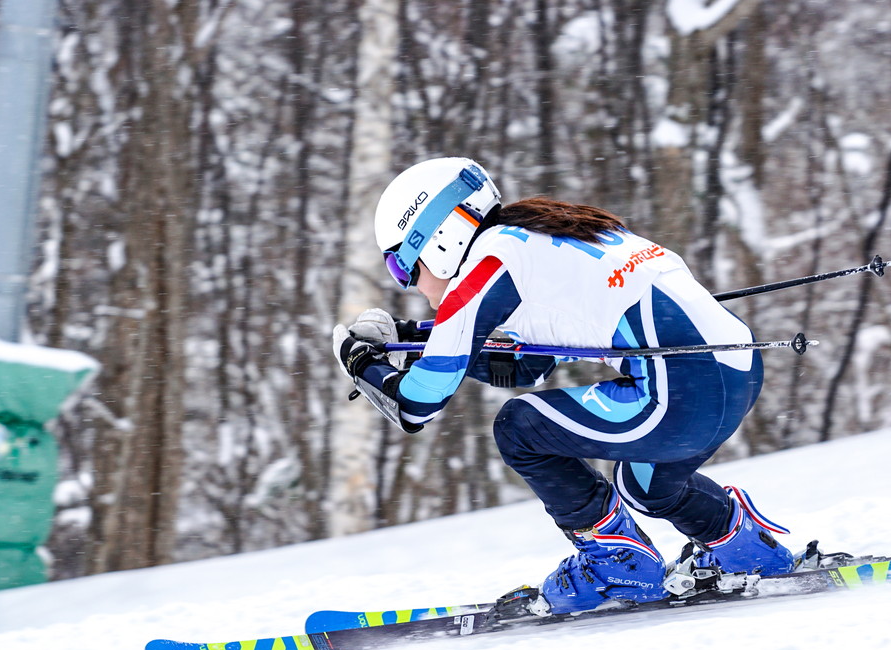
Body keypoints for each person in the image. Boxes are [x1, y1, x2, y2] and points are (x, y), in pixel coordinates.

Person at [333, 156, 803, 617]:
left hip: (680, 395)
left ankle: (618, 566)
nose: (410, 284)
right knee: (649, 484)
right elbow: (524, 367)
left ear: (438, 239)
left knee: (518, 427)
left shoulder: (489, 262)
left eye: (403, 268)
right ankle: (745, 550)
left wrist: (360, 361)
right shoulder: (544, 236)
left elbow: (416, 405)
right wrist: (408, 337)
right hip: (735, 375)